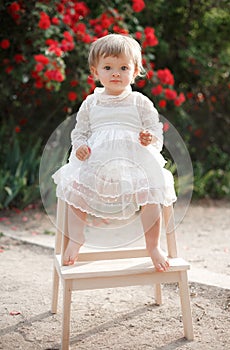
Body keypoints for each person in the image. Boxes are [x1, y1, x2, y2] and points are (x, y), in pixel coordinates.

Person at [52, 33, 177, 271]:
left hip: (134, 162)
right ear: (95, 71)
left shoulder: (140, 102)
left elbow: (154, 131)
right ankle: (77, 239)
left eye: (123, 67)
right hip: (97, 161)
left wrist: (149, 138)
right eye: (108, 67)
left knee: (153, 191)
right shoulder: (91, 102)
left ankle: (153, 246)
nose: (116, 73)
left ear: (135, 70)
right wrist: (79, 147)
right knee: (75, 187)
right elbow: (79, 132)